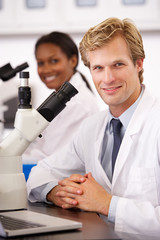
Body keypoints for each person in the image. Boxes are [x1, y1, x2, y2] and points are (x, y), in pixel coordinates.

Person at [27, 17, 160, 236]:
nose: (107, 79)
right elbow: (41, 171)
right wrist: (55, 192)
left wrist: (107, 204)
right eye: (98, 68)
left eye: (118, 64)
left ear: (138, 64)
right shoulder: (92, 128)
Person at [23, 31, 99, 162]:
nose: (46, 69)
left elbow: (51, 157)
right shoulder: (60, 96)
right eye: (41, 63)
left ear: (73, 60)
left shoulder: (78, 104)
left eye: (54, 61)